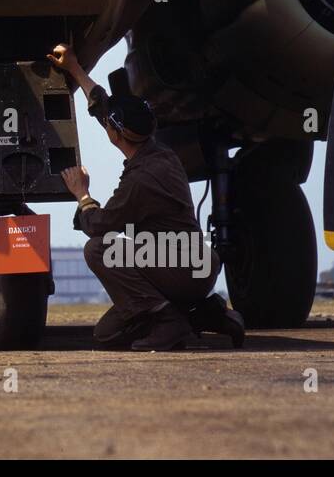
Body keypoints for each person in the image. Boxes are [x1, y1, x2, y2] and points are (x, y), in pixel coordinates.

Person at [47, 43, 244, 351]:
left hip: (182, 270)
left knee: (98, 249)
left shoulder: (141, 180)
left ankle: (169, 323)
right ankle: (206, 314)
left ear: (115, 135)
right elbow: (105, 108)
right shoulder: (159, 151)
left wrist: (82, 194)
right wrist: (73, 67)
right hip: (195, 265)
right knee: (106, 335)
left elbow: (100, 225)